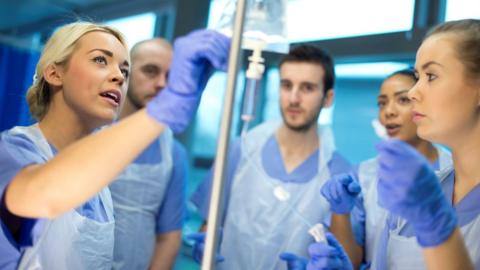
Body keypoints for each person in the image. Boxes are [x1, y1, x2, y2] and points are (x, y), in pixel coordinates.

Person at [0, 22, 230, 269]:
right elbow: (42, 193)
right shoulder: (12, 150)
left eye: (125, 71)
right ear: (55, 73)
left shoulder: (101, 193)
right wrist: (164, 109)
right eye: (100, 60)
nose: (119, 76)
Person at [307, 19, 480, 270]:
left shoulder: (423, 200)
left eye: (431, 76)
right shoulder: (415, 197)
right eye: (418, 77)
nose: (413, 93)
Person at [190, 44, 353, 270]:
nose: (293, 98)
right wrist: (205, 248)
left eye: (307, 88)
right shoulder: (242, 150)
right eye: (287, 85)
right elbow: (208, 225)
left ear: (328, 98)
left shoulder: (338, 173)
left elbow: (346, 258)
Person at [319, 68, 453, 269]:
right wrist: (341, 212)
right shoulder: (363, 176)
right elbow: (350, 262)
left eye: (403, 100)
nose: (388, 111)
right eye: (382, 103)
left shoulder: (457, 171)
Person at [109, 38, 187, 270]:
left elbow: (169, 238)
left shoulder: (173, 152)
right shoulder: (90, 133)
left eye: (170, 76)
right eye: (150, 71)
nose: (161, 83)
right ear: (125, 73)